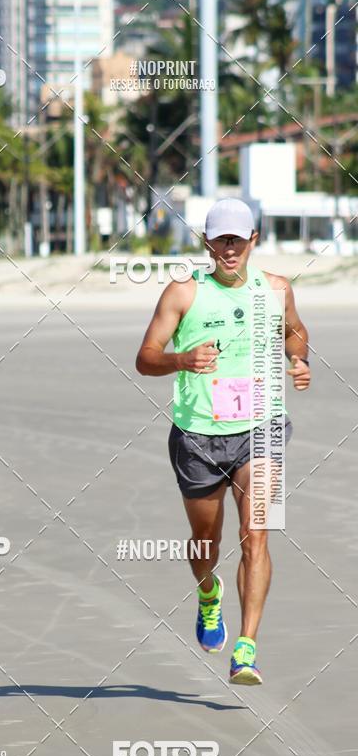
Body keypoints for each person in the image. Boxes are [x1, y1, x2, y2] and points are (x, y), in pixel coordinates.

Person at [136, 198, 310, 686]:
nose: (229, 248)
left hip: (263, 429)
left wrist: (299, 361)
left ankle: (247, 647)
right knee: (205, 540)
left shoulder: (276, 289)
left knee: (256, 535)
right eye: (220, 239)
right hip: (198, 436)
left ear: (253, 240)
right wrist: (182, 360)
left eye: (238, 239)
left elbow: (296, 335)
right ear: (207, 242)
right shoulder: (183, 294)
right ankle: (208, 594)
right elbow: (146, 357)